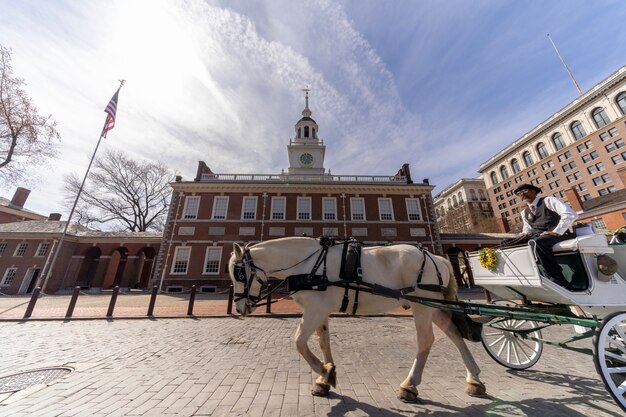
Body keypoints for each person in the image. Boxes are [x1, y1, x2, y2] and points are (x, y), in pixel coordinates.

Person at [501, 184, 578, 289]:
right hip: (539, 236)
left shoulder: (548, 201)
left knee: (538, 242)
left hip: (561, 234)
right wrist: (524, 234)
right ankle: (523, 275)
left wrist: (556, 231)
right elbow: (528, 229)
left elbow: (570, 214)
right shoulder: (525, 212)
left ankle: (557, 279)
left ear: (534, 191)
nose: (522, 194)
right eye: (519, 193)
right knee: (506, 242)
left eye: (524, 190)